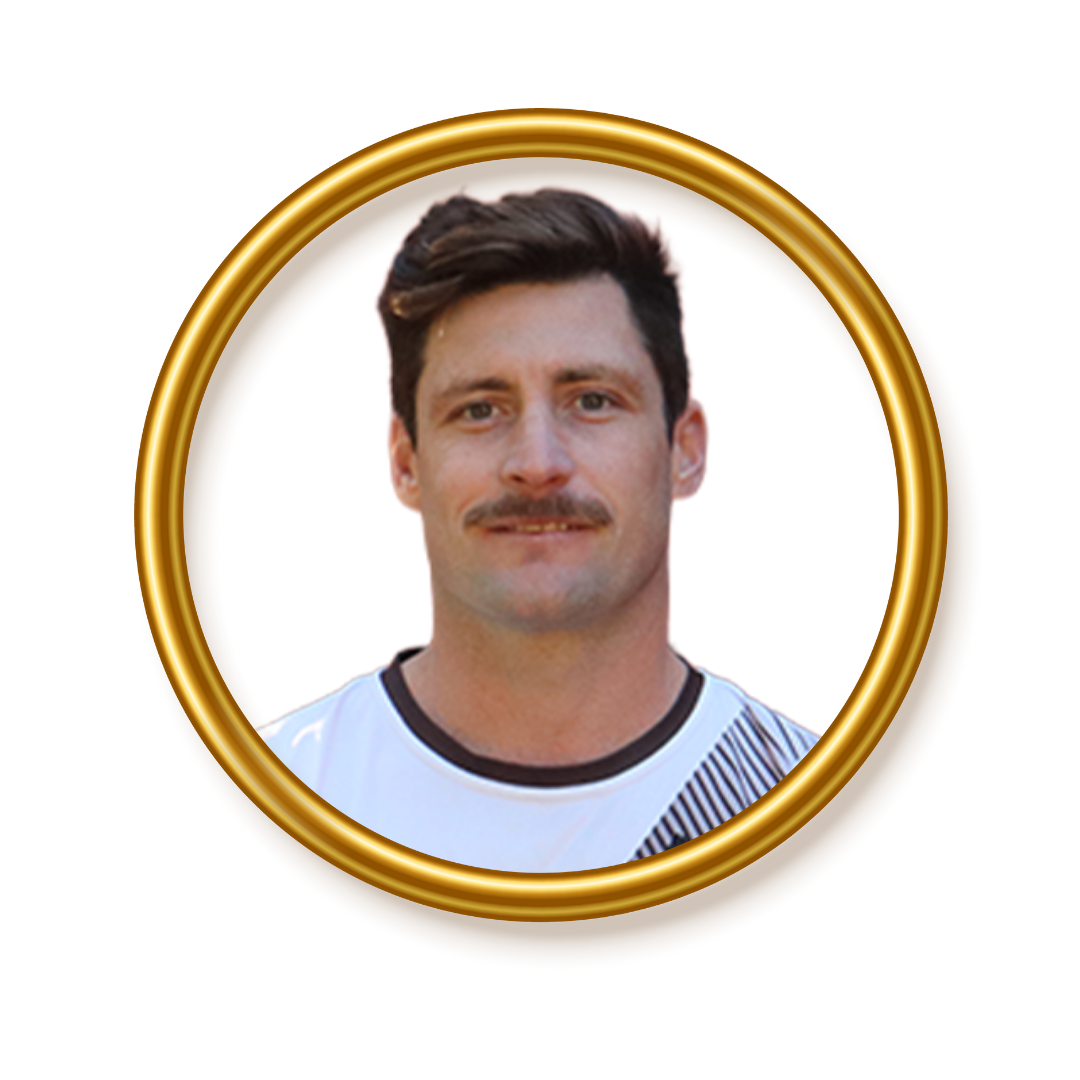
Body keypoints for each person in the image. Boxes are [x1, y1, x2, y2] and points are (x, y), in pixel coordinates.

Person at [261, 189, 818, 872]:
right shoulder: (274, 803)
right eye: (479, 409)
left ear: (685, 449)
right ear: (407, 463)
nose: (536, 463)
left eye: (592, 401)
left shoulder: (808, 813)